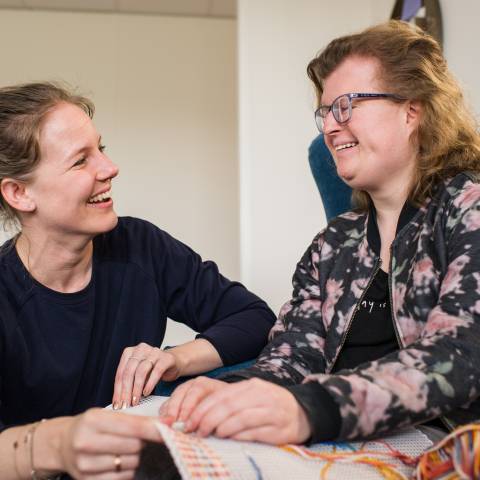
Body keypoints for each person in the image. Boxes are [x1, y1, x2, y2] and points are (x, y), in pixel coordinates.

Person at [160, 20, 480, 446]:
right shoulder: (333, 245)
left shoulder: (467, 209)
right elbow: (293, 353)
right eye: (326, 111)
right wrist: (232, 391)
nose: (330, 126)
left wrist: (311, 408)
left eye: (347, 105)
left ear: (412, 110)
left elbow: (459, 355)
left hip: (440, 447)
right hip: (339, 446)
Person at [0, 82, 276, 479]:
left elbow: (254, 317)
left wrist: (175, 359)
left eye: (101, 149)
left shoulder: (140, 246)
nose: (109, 169)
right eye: (81, 161)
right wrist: (61, 444)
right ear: (20, 193)